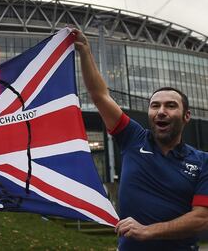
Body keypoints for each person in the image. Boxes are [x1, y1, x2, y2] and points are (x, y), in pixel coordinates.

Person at [73, 28, 208, 250]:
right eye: (155, 106)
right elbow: (100, 96)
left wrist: (147, 230)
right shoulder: (133, 138)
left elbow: (201, 218)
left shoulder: (203, 162)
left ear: (186, 116)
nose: (161, 111)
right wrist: (85, 52)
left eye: (170, 106)